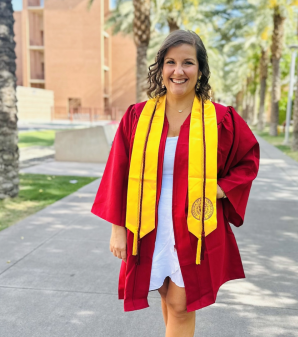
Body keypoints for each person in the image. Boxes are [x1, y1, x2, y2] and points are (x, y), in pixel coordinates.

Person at [91, 30, 259, 337]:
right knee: (168, 297)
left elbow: (248, 159)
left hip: (196, 223)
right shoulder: (138, 117)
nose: (178, 71)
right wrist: (117, 229)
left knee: (182, 304)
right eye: (171, 62)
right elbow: (118, 172)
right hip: (149, 225)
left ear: (200, 69)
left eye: (188, 63)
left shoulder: (220, 119)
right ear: (161, 68)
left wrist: (223, 188)